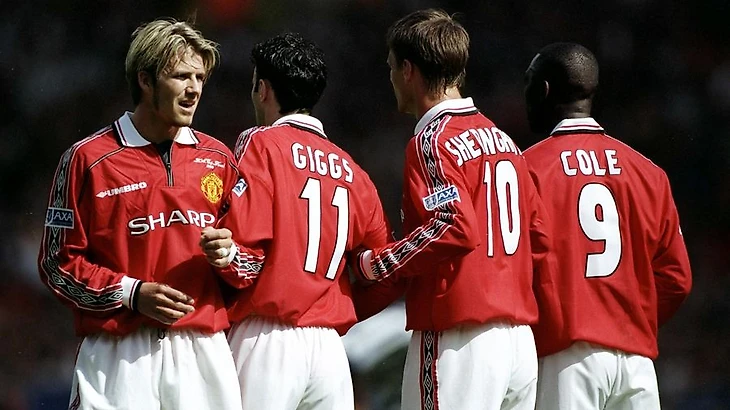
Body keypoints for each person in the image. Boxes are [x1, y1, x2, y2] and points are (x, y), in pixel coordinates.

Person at [349, 9, 552, 410]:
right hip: (517, 343)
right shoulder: (505, 141)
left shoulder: (432, 139)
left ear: (408, 70)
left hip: (459, 339)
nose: (389, 78)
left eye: (391, 67)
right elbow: (540, 238)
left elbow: (453, 225)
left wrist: (375, 264)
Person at [37, 18, 242, 410]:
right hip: (118, 355)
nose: (194, 88)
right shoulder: (87, 160)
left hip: (202, 351)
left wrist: (230, 256)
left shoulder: (220, 159)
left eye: (199, 77)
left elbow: (252, 262)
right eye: (181, 76)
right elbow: (56, 265)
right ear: (145, 81)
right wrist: (131, 294)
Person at [198, 32, 392, 409]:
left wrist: (218, 258)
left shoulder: (260, 143)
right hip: (330, 351)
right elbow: (386, 273)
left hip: (267, 339)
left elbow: (245, 257)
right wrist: (345, 310)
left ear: (263, 89)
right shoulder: (353, 171)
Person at [522, 42, 693, 409]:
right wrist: (628, 319)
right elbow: (677, 279)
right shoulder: (649, 172)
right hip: (637, 362)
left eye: (529, 83)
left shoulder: (527, 169)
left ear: (545, 90)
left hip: (564, 357)